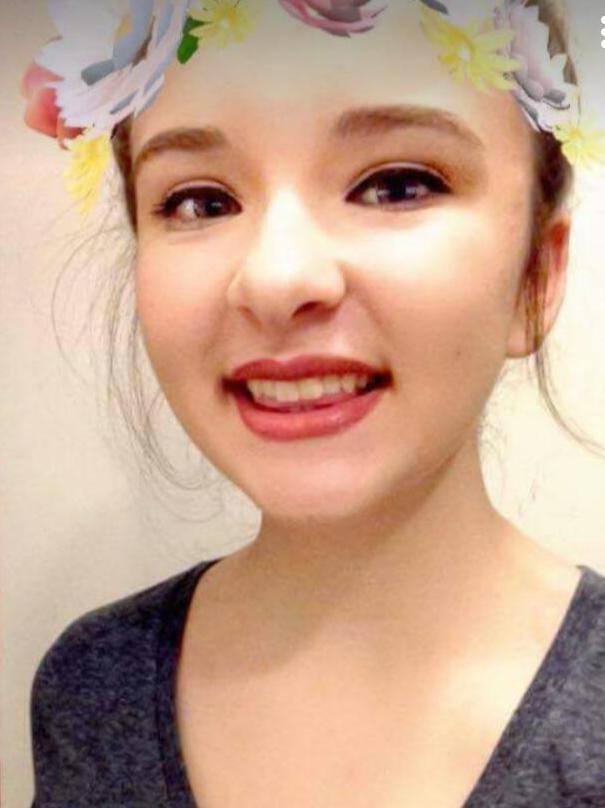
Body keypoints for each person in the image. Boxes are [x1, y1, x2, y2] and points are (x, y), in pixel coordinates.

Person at [21, 1, 605, 806]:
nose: (275, 278)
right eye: (200, 201)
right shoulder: (92, 690)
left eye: (396, 185)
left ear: (535, 279)